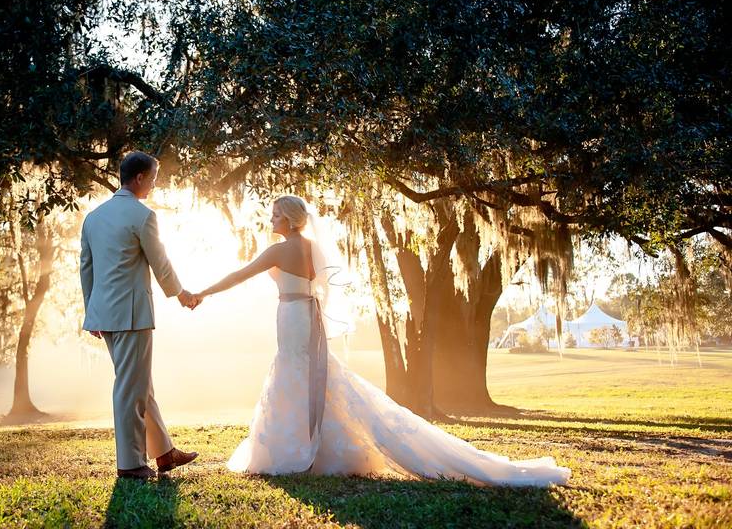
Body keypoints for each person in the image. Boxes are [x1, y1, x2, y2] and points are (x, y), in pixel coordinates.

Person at [196, 195, 571, 487]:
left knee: (294, 372)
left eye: (276, 214)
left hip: (294, 315)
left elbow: (239, 274)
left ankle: (292, 451)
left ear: (291, 220)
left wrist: (200, 292)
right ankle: (318, 449)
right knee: (316, 377)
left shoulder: (281, 249)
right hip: (307, 317)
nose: (271, 219)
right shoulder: (313, 248)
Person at [80, 151, 200, 480]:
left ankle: (164, 453)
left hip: (104, 313)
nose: (155, 184)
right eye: (154, 178)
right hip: (132, 315)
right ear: (139, 179)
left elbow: (86, 268)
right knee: (130, 389)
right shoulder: (142, 215)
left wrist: (92, 311)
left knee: (139, 384)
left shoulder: (93, 217)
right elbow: (160, 262)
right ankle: (131, 463)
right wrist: (181, 294)